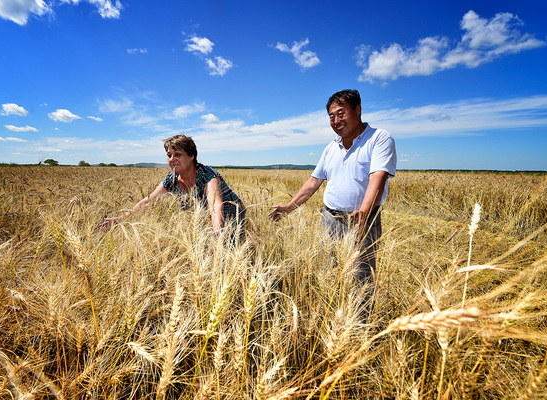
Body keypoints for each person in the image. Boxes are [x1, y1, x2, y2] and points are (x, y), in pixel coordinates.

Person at [269, 89, 397, 311]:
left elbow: (378, 177)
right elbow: (313, 182)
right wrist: (289, 207)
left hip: (362, 222)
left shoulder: (379, 138)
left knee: (361, 279)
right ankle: (333, 318)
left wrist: (364, 213)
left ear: (358, 110)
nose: (336, 121)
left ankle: (358, 330)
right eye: (331, 116)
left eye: (341, 113)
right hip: (330, 220)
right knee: (330, 272)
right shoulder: (331, 147)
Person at [100, 135, 245, 239]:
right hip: (206, 218)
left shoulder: (207, 175)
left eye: (178, 154)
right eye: (169, 155)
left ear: (191, 156)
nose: (172, 159)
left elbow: (215, 206)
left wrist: (217, 235)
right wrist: (121, 219)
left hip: (232, 214)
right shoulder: (172, 179)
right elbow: (148, 202)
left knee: (222, 251)